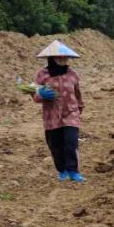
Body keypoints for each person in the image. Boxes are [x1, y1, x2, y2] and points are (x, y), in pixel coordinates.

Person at [30, 40, 85, 183]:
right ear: (51, 58)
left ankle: (73, 170)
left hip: (70, 113)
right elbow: (34, 95)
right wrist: (40, 95)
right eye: (59, 57)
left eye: (65, 57)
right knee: (55, 145)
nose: (62, 60)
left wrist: (79, 108)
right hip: (51, 116)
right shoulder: (42, 75)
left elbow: (77, 94)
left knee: (70, 142)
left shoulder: (73, 74)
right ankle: (62, 170)